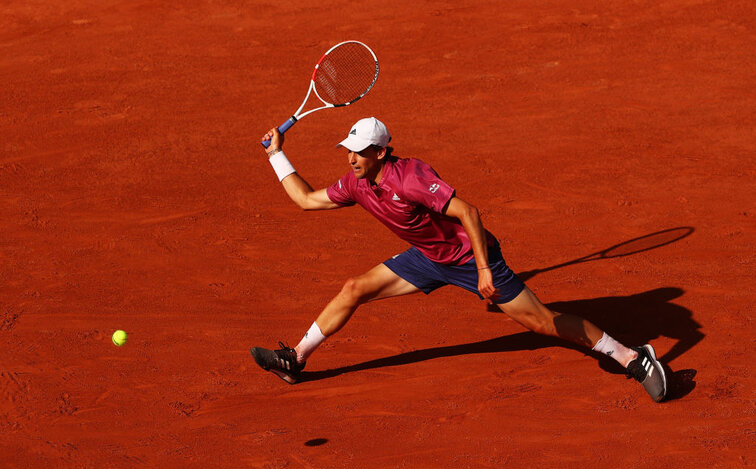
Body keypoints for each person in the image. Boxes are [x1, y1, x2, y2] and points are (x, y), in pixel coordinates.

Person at [251, 117, 667, 402]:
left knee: (542, 321)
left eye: (359, 152)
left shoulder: (410, 177)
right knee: (354, 289)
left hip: (470, 257)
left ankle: (631, 358)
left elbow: (468, 213)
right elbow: (306, 200)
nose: (351, 158)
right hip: (428, 258)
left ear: (381, 152)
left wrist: (484, 269)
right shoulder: (356, 183)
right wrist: (276, 155)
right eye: (348, 150)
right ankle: (297, 359)